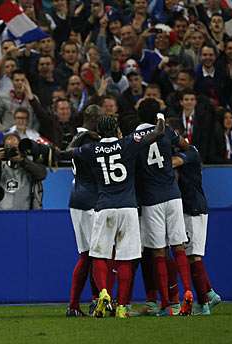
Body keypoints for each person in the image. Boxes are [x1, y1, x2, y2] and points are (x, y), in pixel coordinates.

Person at [69, 115, 165, 318]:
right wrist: (159, 119)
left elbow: (66, 152)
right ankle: (122, 306)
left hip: (104, 208)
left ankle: (103, 293)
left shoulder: (91, 149)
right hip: (128, 208)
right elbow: (158, 133)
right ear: (116, 129)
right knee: (125, 259)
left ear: (99, 132)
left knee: (98, 256)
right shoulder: (128, 143)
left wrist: (79, 139)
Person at [134, 99, 194, 316]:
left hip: (151, 200)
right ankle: (187, 292)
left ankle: (167, 303)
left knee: (158, 251)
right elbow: (185, 145)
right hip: (173, 196)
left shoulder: (135, 138)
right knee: (178, 247)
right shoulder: (167, 131)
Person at [60, 105, 101, 317]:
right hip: (89, 199)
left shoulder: (79, 137)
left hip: (76, 198)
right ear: (93, 118)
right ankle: (84, 302)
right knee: (93, 254)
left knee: (88, 255)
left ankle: (79, 304)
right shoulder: (89, 141)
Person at [172, 145, 222, 315]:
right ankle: (209, 293)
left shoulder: (190, 152)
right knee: (190, 255)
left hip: (193, 208)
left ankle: (203, 303)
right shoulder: (186, 152)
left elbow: (173, 162)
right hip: (192, 207)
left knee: (193, 256)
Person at [0, 133, 47, 211]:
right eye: (8, 147)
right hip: (2, 213)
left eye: (15, 147)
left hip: (25, 214)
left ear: (20, 147)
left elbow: (42, 175)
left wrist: (22, 160)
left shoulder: (29, 162)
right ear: (3, 148)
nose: (12, 150)